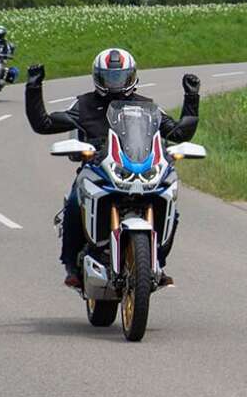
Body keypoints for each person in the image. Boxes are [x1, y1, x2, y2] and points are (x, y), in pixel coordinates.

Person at [25, 48, 200, 288]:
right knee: (75, 202)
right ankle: (71, 265)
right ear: (98, 77)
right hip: (98, 168)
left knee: (171, 207)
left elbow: (178, 132)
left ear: (131, 76)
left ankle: (157, 261)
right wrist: (33, 88)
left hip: (139, 168)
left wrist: (192, 99)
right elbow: (43, 124)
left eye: (119, 77)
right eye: (109, 77)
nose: (115, 83)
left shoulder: (148, 106)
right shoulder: (84, 104)